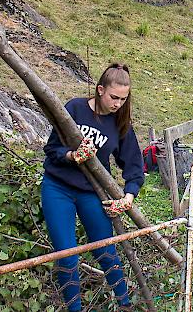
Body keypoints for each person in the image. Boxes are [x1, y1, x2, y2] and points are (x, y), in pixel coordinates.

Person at [42, 63, 144, 312]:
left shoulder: (120, 124)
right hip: (58, 188)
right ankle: (74, 309)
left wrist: (128, 196)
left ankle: (125, 305)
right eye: (114, 97)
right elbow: (52, 149)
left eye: (123, 98)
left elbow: (133, 165)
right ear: (100, 90)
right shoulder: (74, 108)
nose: (118, 103)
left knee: (105, 248)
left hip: (92, 192)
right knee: (67, 254)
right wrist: (72, 156)